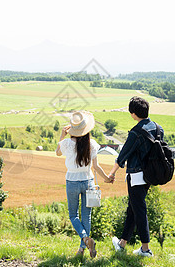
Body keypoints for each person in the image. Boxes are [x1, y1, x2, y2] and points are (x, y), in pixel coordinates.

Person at [108, 96, 164, 257]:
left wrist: (111, 174)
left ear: (133, 113)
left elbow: (123, 155)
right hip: (149, 176)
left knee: (139, 209)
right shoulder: (158, 128)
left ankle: (145, 249)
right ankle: (122, 243)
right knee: (133, 208)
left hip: (136, 176)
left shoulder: (136, 132)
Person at [56, 110, 113, 258]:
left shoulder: (67, 144)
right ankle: (82, 248)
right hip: (88, 182)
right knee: (86, 216)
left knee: (73, 215)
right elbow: (96, 167)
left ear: (72, 129)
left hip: (72, 182)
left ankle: (85, 239)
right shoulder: (92, 144)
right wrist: (107, 178)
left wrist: (62, 135)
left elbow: (57, 152)